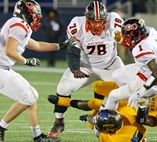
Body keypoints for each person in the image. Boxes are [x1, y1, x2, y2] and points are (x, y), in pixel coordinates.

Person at [0, 0, 74, 142]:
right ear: (26, 13)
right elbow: (9, 51)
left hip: (2, 69)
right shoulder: (19, 25)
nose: (37, 17)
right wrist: (27, 61)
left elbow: (36, 45)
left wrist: (61, 46)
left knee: (32, 96)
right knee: (26, 98)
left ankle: (38, 137)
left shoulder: (20, 25)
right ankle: (0, 126)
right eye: (34, 14)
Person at [47, 1, 125, 137]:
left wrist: (121, 38)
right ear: (86, 18)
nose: (97, 24)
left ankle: (129, 125)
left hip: (110, 65)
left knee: (128, 93)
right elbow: (72, 52)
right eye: (93, 21)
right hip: (85, 66)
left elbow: (124, 38)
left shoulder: (114, 20)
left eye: (100, 21)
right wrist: (75, 68)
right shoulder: (77, 24)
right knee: (63, 88)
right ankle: (59, 122)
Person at [48, 80, 157, 142]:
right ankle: (92, 113)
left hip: (133, 118)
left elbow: (143, 121)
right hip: (132, 101)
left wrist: (142, 107)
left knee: (98, 107)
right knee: (98, 87)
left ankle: (93, 116)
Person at [103, 17, 157, 112]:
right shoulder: (151, 31)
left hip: (149, 82)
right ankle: (135, 99)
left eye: (128, 36)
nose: (126, 39)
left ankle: (106, 121)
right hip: (145, 70)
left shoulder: (142, 49)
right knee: (116, 75)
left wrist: (141, 91)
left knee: (112, 95)